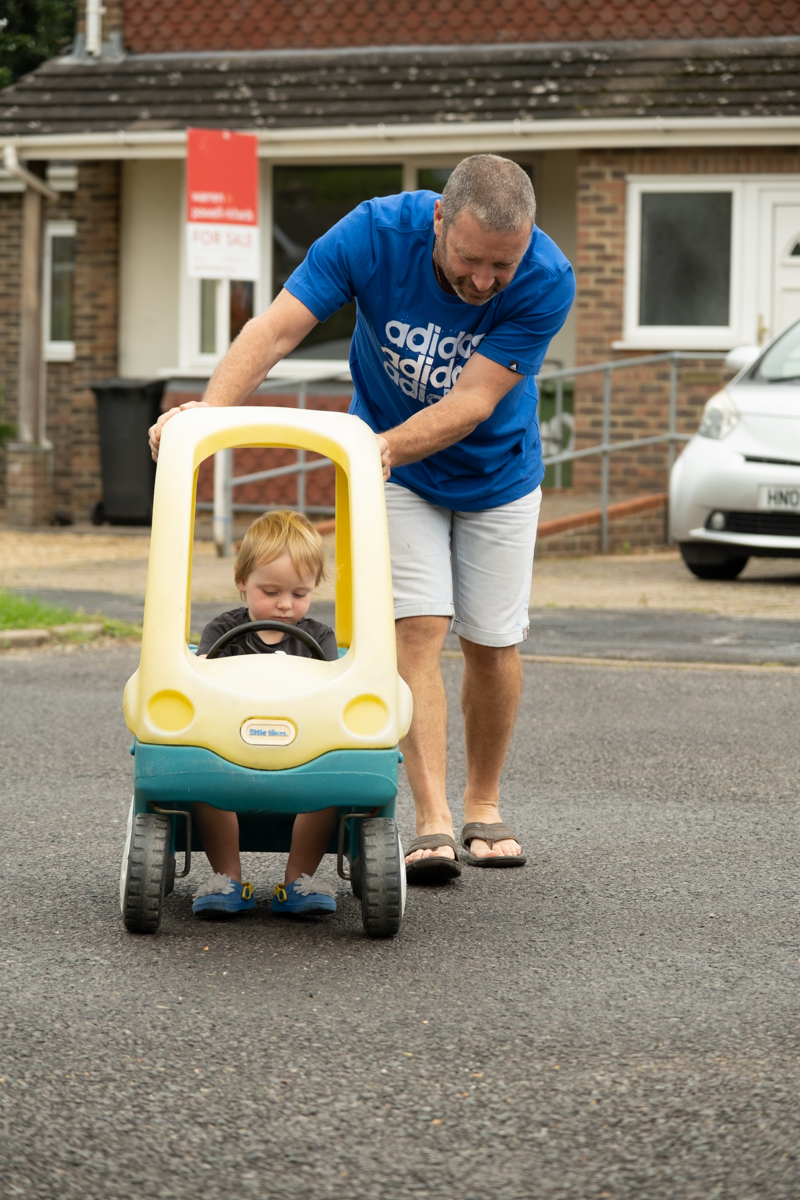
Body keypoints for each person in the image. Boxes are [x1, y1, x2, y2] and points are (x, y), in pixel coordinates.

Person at [150, 154, 575, 886]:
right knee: (415, 629)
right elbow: (277, 330)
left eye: (500, 266)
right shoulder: (373, 234)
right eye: (470, 260)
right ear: (439, 220)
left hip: (495, 473)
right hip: (394, 469)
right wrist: (206, 418)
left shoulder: (547, 277)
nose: (483, 282)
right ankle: (433, 818)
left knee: (491, 642)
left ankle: (484, 803)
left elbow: (473, 402)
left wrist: (375, 447)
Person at [191, 509, 340, 918]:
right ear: (242, 581)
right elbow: (202, 681)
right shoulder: (222, 632)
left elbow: (332, 695)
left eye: (300, 593)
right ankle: (227, 879)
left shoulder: (319, 637)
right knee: (203, 779)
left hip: (302, 750)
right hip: (231, 748)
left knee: (332, 787)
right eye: (271, 591)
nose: (286, 605)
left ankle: (298, 881)